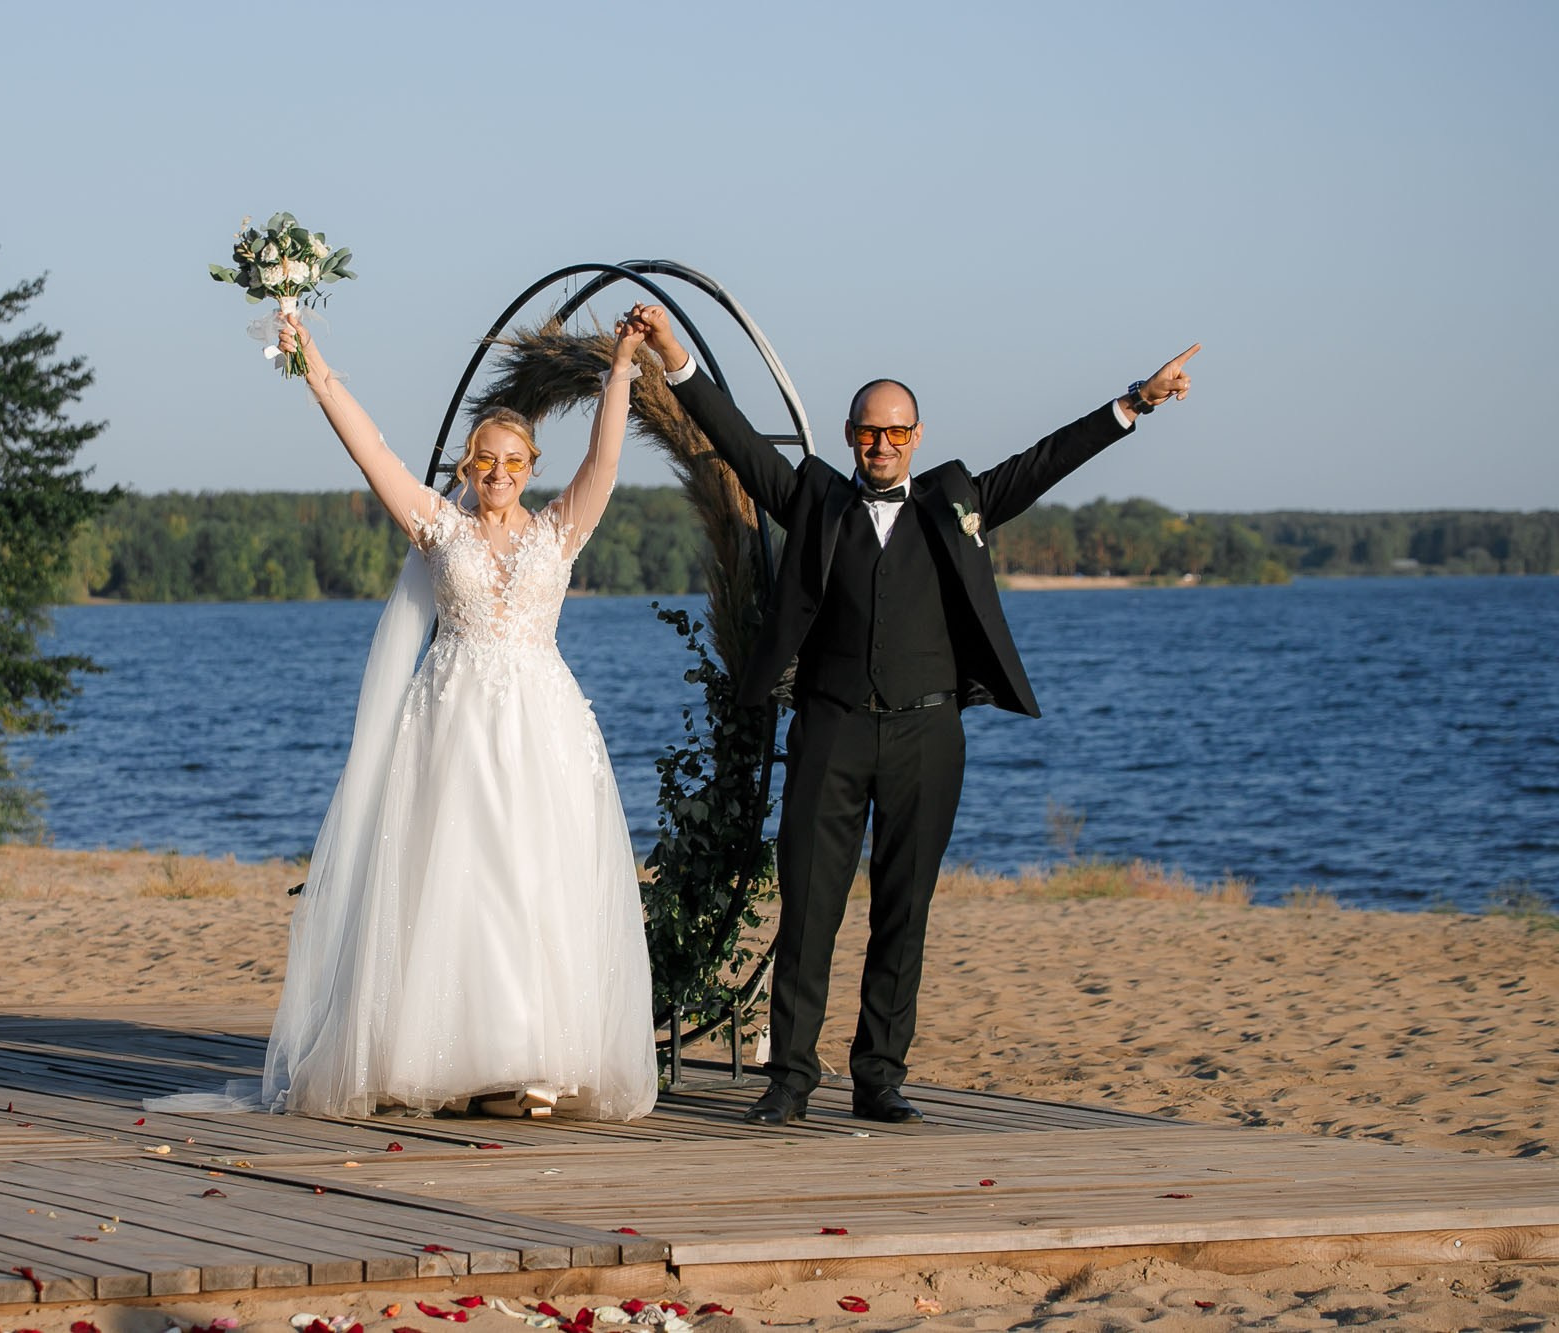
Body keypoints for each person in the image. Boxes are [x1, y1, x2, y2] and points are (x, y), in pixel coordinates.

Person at [630, 303, 1198, 1126]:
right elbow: (739, 438)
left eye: (896, 433)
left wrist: (1134, 403)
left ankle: (880, 1076)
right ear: (850, 434)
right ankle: (789, 1077)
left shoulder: (958, 501)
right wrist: (675, 356)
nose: (882, 446)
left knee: (905, 907)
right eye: (868, 433)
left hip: (929, 733)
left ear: (918, 436)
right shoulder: (814, 499)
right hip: (829, 727)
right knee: (810, 905)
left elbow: (1045, 462)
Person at [149, 311, 658, 1122]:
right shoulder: (437, 526)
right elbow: (372, 451)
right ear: (469, 465)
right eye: (485, 460)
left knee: (535, 879)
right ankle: (456, 1057)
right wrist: (315, 362)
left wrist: (624, 364)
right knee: (457, 884)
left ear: (530, 467)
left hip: (542, 727)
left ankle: (534, 1060)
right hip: (451, 725)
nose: (497, 472)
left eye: (513, 460)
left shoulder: (560, 531)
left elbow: (604, 459)